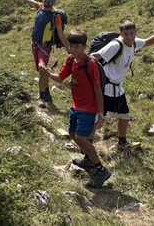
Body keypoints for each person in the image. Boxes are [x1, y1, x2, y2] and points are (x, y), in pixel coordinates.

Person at [40, 29, 111, 188]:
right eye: (71, 46)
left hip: (89, 108)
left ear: (84, 47)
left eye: (77, 47)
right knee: (72, 133)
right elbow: (60, 78)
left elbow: (98, 88)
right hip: (75, 106)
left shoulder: (90, 64)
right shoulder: (70, 60)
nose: (73, 49)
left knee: (80, 137)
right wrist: (48, 73)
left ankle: (100, 170)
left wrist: (100, 113)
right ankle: (88, 158)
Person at [92, 18, 154, 151]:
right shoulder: (115, 45)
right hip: (105, 88)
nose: (129, 37)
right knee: (97, 118)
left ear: (135, 32)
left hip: (117, 88)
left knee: (124, 115)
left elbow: (148, 42)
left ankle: (122, 143)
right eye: (126, 34)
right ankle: (87, 143)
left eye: (131, 33)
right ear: (121, 33)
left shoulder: (134, 43)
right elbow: (95, 56)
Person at [10, 0, 70, 103]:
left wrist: (69, 49)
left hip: (45, 46)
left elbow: (61, 34)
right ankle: (45, 93)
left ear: (54, 3)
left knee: (42, 68)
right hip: (35, 45)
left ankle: (43, 95)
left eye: (51, 0)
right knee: (40, 70)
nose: (47, 1)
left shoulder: (55, 16)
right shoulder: (40, 7)